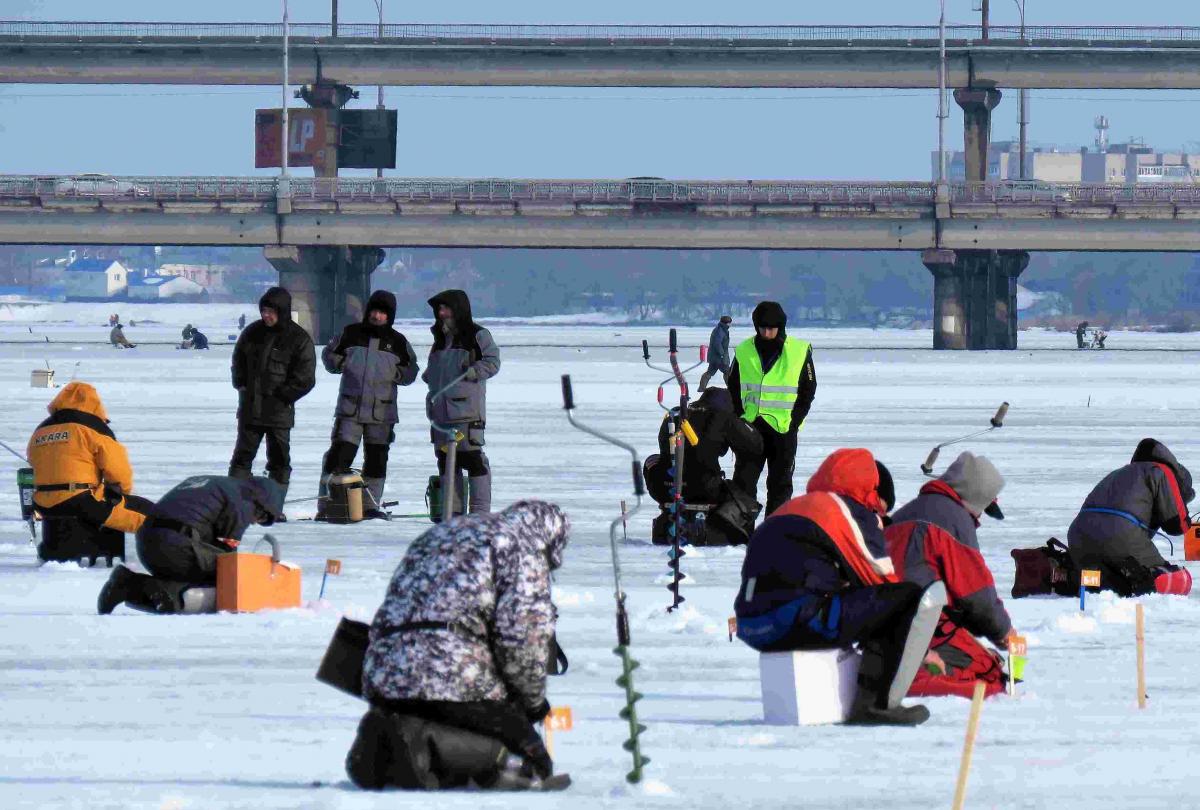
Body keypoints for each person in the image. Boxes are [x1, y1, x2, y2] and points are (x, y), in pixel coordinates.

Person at [347, 501, 570, 791]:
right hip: (454, 673)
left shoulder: (442, 533)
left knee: (441, 710)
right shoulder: (523, 547)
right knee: (524, 755)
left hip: (382, 669)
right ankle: (426, 745)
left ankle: (386, 743)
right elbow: (522, 637)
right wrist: (532, 705)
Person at [734, 448, 945, 726]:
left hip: (753, 625)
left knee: (861, 602)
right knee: (907, 598)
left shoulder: (791, 508)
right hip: (795, 620)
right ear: (871, 494)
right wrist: (919, 646)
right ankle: (875, 705)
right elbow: (880, 580)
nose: (879, 520)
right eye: (880, 510)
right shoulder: (847, 510)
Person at [886, 452, 1017, 699]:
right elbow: (976, 595)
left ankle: (914, 672)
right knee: (990, 674)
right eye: (982, 509)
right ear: (975, 498)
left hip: (883, 622)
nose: (979, 518)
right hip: (922, 624)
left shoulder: (905, 513)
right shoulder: (954, 520)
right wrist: (1003, 632)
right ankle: (923, 682)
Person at [96, 475, 284, 615]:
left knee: (200, 568)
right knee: (225, 576)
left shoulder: (212, 483)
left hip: (147, 542)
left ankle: (128, 585)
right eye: (260, 517)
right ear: (261, 503)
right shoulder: (243, 501)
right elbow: (228, 558)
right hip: (175, 545)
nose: (253, 522)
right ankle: (154, 590)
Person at [318, 290, 419, 519]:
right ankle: (327, 505)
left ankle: (369, 506)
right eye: (374, 311)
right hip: (350, 410)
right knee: (338, 457)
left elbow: (412, 371)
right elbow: (328, 355)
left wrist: (396, 373)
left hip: (382, 413)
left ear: (390, 316)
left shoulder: (398, 342)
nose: (377, 316)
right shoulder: (350, 333)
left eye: (382, 313)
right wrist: (342, 362)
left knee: (376, 461)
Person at [1066, 438, 1194, 596]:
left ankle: (1090, 579)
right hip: (1119, 534)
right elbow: (1177, 525)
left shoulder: (1120, 472)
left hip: (1078, 536)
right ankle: (1134, 583)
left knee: (1101, 571)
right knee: (1181, 580)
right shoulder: (1162, 471)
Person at [27, 381, 153, 534]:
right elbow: (118, 470)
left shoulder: (40, 430)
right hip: (81, 501)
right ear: (94, 403)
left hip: (41, 504)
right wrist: (122, 492)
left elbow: (32, 461)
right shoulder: (94, 427)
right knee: (149, 516)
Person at [728, 301, 816, 518]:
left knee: (780, 484)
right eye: (762, 328)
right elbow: (733, 385)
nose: (767, 332)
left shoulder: (799, 350)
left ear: (781, 327)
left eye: (772, 328)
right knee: (744, 481)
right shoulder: (743, 350)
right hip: (751, 427)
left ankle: (774, 531)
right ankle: (743, 530)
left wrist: (795, 421)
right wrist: (740, 416)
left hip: (783, 428)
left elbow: (808, 389)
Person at [227, 286, 316, 501]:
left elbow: (305, 378)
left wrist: (284, 396)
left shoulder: (298, 339)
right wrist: (241, 384)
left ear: (282, 311)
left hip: (279, 413)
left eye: (271, 311)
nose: (266, 315)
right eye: (264, 311)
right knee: (241, 458)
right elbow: (237, 361)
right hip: (250, 409)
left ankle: (273, 506)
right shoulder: (252, 333)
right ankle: (234, 505)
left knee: (279, 461)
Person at [644, 386, 764, 544]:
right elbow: (755, 444)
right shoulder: (722, 416)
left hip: (664, 487)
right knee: (748, 466)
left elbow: (665, 446)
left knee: (654, 459)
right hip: (704, 488)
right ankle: (733, 527)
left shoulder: (674, 413)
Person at [422, 290, 501, 515]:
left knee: (473, 459)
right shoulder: (440, 338)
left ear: (458, 309)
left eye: (445, 308)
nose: (441, 313)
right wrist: (430, 376)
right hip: (440, 414)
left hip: (467, 413)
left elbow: (493, 362)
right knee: (446, 461)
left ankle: (479, 513)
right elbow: (436, 367)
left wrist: (474, 371)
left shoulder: (478, 335)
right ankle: (452, 513)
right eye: (439, 309)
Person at [697, 315, 733, 392]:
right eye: (729, 323)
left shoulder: (721, 330)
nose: (730, 325)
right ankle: (731, 388)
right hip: (719, 358)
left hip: (715, 357)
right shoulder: (720, 331)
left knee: (710, 372)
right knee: (728, 372)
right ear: (726, 323)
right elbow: (717, 343)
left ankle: (701, 388)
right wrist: (722, 354)